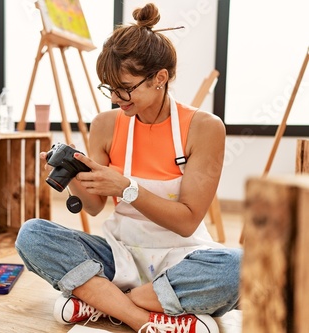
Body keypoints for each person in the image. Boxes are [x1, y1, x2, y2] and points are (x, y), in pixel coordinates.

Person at [15, 3, 242, 333]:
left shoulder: (204, 127)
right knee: (32, 234)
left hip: (182, 256)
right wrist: (73, 174)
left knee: (240, 268)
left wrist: (126, 188)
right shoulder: (106, 124)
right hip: (119, 255)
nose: (117, 98)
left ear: (159, 78)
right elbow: (93, 208)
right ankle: (146, 319)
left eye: (125, 88)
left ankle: (101, 300)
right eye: (109, 88)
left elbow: (187, 221)